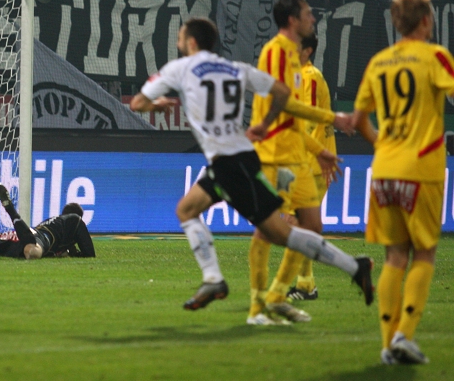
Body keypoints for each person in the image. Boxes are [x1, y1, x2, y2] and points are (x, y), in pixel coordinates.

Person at [130, 17, 373, 315]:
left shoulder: (179, 69)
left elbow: (137, 104)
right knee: (187, 209)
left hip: (231, 164)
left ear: (191, 42)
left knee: (281, 234)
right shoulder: (235, 68)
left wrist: (157, 105)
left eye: (181, 36)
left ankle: (351, 266)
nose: (179, 40)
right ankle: (214, 279)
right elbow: (282, 92)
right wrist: (264, 125)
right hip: (238, 158)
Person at [351, 0, 454, 365]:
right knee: (424, 252)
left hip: (384, 169)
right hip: (421, 169)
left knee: (394, 256)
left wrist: (384, 146)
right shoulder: (435, 57)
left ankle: (387, 345)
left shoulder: (379, 62)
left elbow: (359, 120)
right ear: (427, 21)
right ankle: (404, 336)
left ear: (396, 22)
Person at [247, 0, 352, 325]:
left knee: (305, 226)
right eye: (308, 14)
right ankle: (265, 302)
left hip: (299, 156)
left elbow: (297, 118)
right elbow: (289, 111)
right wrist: (332, 123)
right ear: (293, 20)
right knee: (279, 227)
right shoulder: (281, 57)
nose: (313, 18)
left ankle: (285, 293)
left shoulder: (300, 68)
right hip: (282, 156)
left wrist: (320, 149)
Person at [286, 33, 337, 301]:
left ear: (307, 50)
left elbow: (309, 118)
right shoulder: (297, 76)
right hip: (307, 160)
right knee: (297, 223)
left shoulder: (310, 76)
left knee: (298, 223)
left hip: (314, 163)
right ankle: (306, 283)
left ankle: (306, 285)